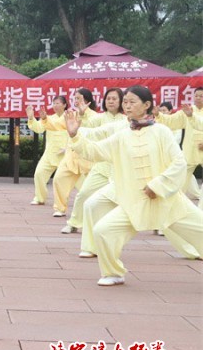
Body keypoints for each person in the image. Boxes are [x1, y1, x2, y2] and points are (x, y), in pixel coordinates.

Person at [65, 86, 203, 286]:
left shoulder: (162, 132)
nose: (127, 106)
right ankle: (113, 272)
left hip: (169, 202)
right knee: (103, 230)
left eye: (132, 102)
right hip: (134, 203)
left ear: (147, 105)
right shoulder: (122, 135)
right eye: (125, 102)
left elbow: (179, 163)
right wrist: (74, 136)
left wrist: (157, 186)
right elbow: (94, 152)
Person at [63, 88, 127, 235]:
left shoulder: (125, 120)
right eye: (108, 98)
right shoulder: (99, 118)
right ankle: (74, 223)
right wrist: (83, 115)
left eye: (114, 99)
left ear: (121, 102)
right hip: (101, 165)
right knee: (84, 194)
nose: (111, 101)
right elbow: (85, 128)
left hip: (120, 168)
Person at [50, 88, 98, 218]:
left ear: (87, 100)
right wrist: (41, 119)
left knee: (91, 188)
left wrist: (83, 115)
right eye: (75, 98)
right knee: (58, 179)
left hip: (88, 156)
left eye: (79, 98)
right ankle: (60, 208)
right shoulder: (71, 114)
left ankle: (94, 211)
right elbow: (55, 124)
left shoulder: (95, 116)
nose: (76, 101)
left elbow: (94, 133)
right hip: (71, 155)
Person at [156, 87, 203, 204]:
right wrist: (159, 115)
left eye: (201, 96)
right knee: (179, 182)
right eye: (196, 95)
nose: (198, 98)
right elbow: (171, 121)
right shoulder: (186, 111)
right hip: (189, 152)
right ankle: (173, 207)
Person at [26, 96, 68, 210]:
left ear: (64, 105)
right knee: (39, 174)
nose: (55, 105)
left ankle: (84, 198)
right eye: (54, 103)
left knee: (70, 181)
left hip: (67, 155)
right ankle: (40, 198)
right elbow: (38, 128)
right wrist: (31, 118)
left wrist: (69, 147)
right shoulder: (48, 118)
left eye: (58, 103)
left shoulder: (69, 117)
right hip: (50, 153)